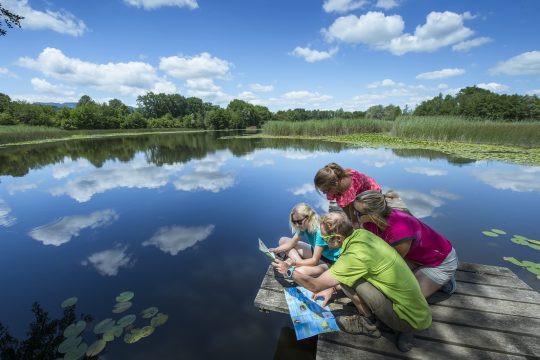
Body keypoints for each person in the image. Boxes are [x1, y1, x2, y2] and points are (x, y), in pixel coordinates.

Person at [272, 212, 432, 352]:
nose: (324, 243)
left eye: (326, 239)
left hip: (405, 320)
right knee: (345, 277)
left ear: (338, 238)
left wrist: (289, 270)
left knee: (346, 280)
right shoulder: (363, 235)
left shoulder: (353, 257)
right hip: (417, 309)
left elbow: (315, 285)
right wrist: (332, 288)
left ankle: (370, 325)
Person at [354, 190, 459, 297]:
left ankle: (446, 281)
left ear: (374, 215)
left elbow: (394, 263)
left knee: (408, 297)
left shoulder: (399, 231)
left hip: (440, 262)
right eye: (354, 210)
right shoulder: (370, 223)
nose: (355, 215)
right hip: (415, 255)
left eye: (359, 213)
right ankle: (423, 274)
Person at [270, 203, 341, 276]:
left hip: (329, 261)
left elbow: (314, 261)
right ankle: (300, 262)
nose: (297, 225)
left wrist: (293, 262)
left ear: (309, 217)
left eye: (299, 222)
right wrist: (276, 250)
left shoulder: (320, 232)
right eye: (294, 222)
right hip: (317, 252)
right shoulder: (303, 226)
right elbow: (291, 243)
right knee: (283, 240)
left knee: (300, 272)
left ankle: (298, 264)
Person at [314, 163, 381, 224]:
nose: (324, 193)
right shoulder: (336, 183)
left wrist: (354, 222)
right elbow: (344, 207)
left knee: (368, 218)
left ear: (336, 184)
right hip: (358, 196)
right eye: (323, 191)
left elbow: (352, 208)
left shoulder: (350, 186)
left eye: (326, 190)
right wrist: (350, 219)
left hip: (372, 195)